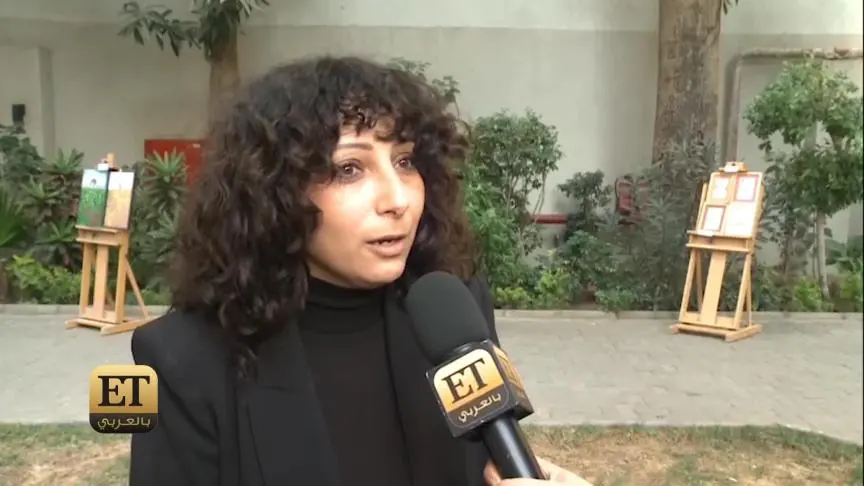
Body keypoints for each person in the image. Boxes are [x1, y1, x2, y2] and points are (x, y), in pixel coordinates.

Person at [128, 55, 591, 486]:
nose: (398, 199)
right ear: (275, 191)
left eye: (405, 162)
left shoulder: (451, 316)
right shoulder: (183, 359)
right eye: (350, 169)